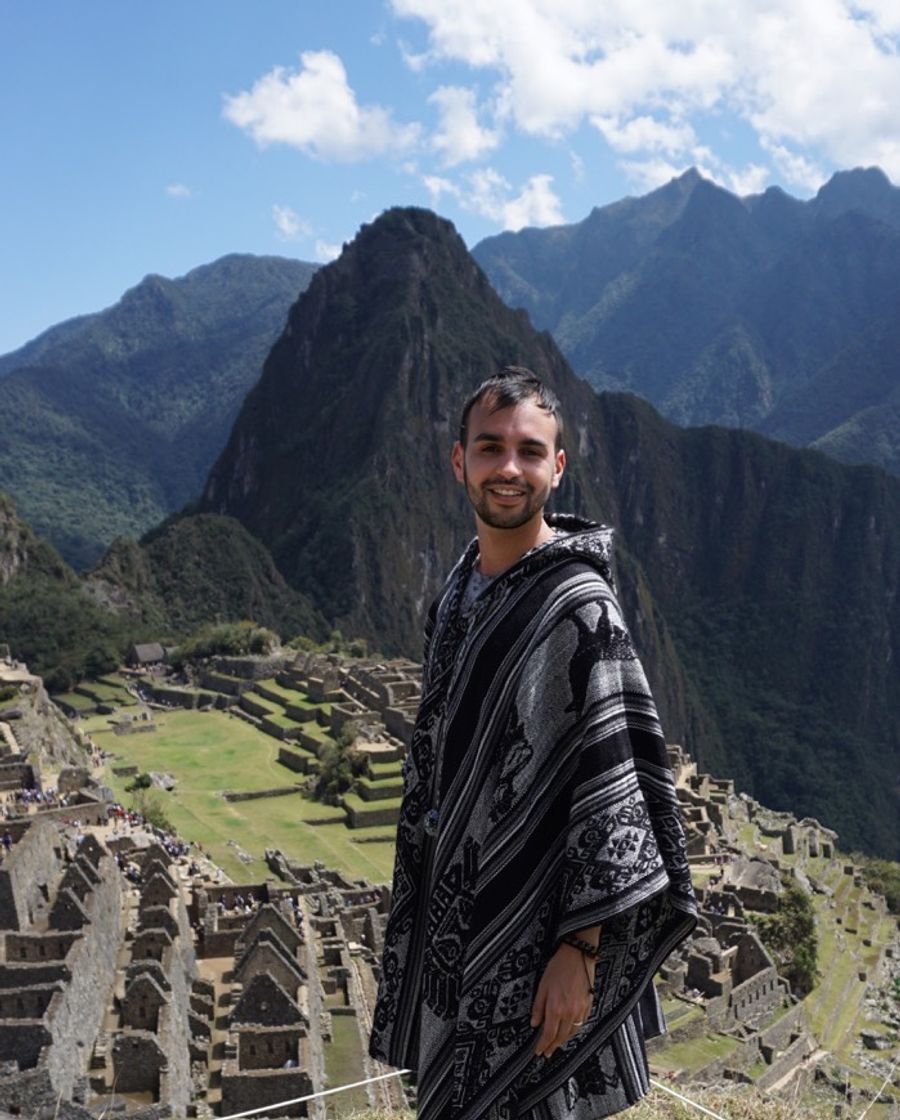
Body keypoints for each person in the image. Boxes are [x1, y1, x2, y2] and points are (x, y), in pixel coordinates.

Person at [369, 367, 697, 1120]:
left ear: (558, 466)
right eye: (490, 448)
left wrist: (580, 952)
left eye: (528, 450)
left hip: (541, 941)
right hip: (460, 928)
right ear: (460, 462)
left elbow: (613, 783)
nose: (508, 468)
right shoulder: (458, 591)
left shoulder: (581, 610)